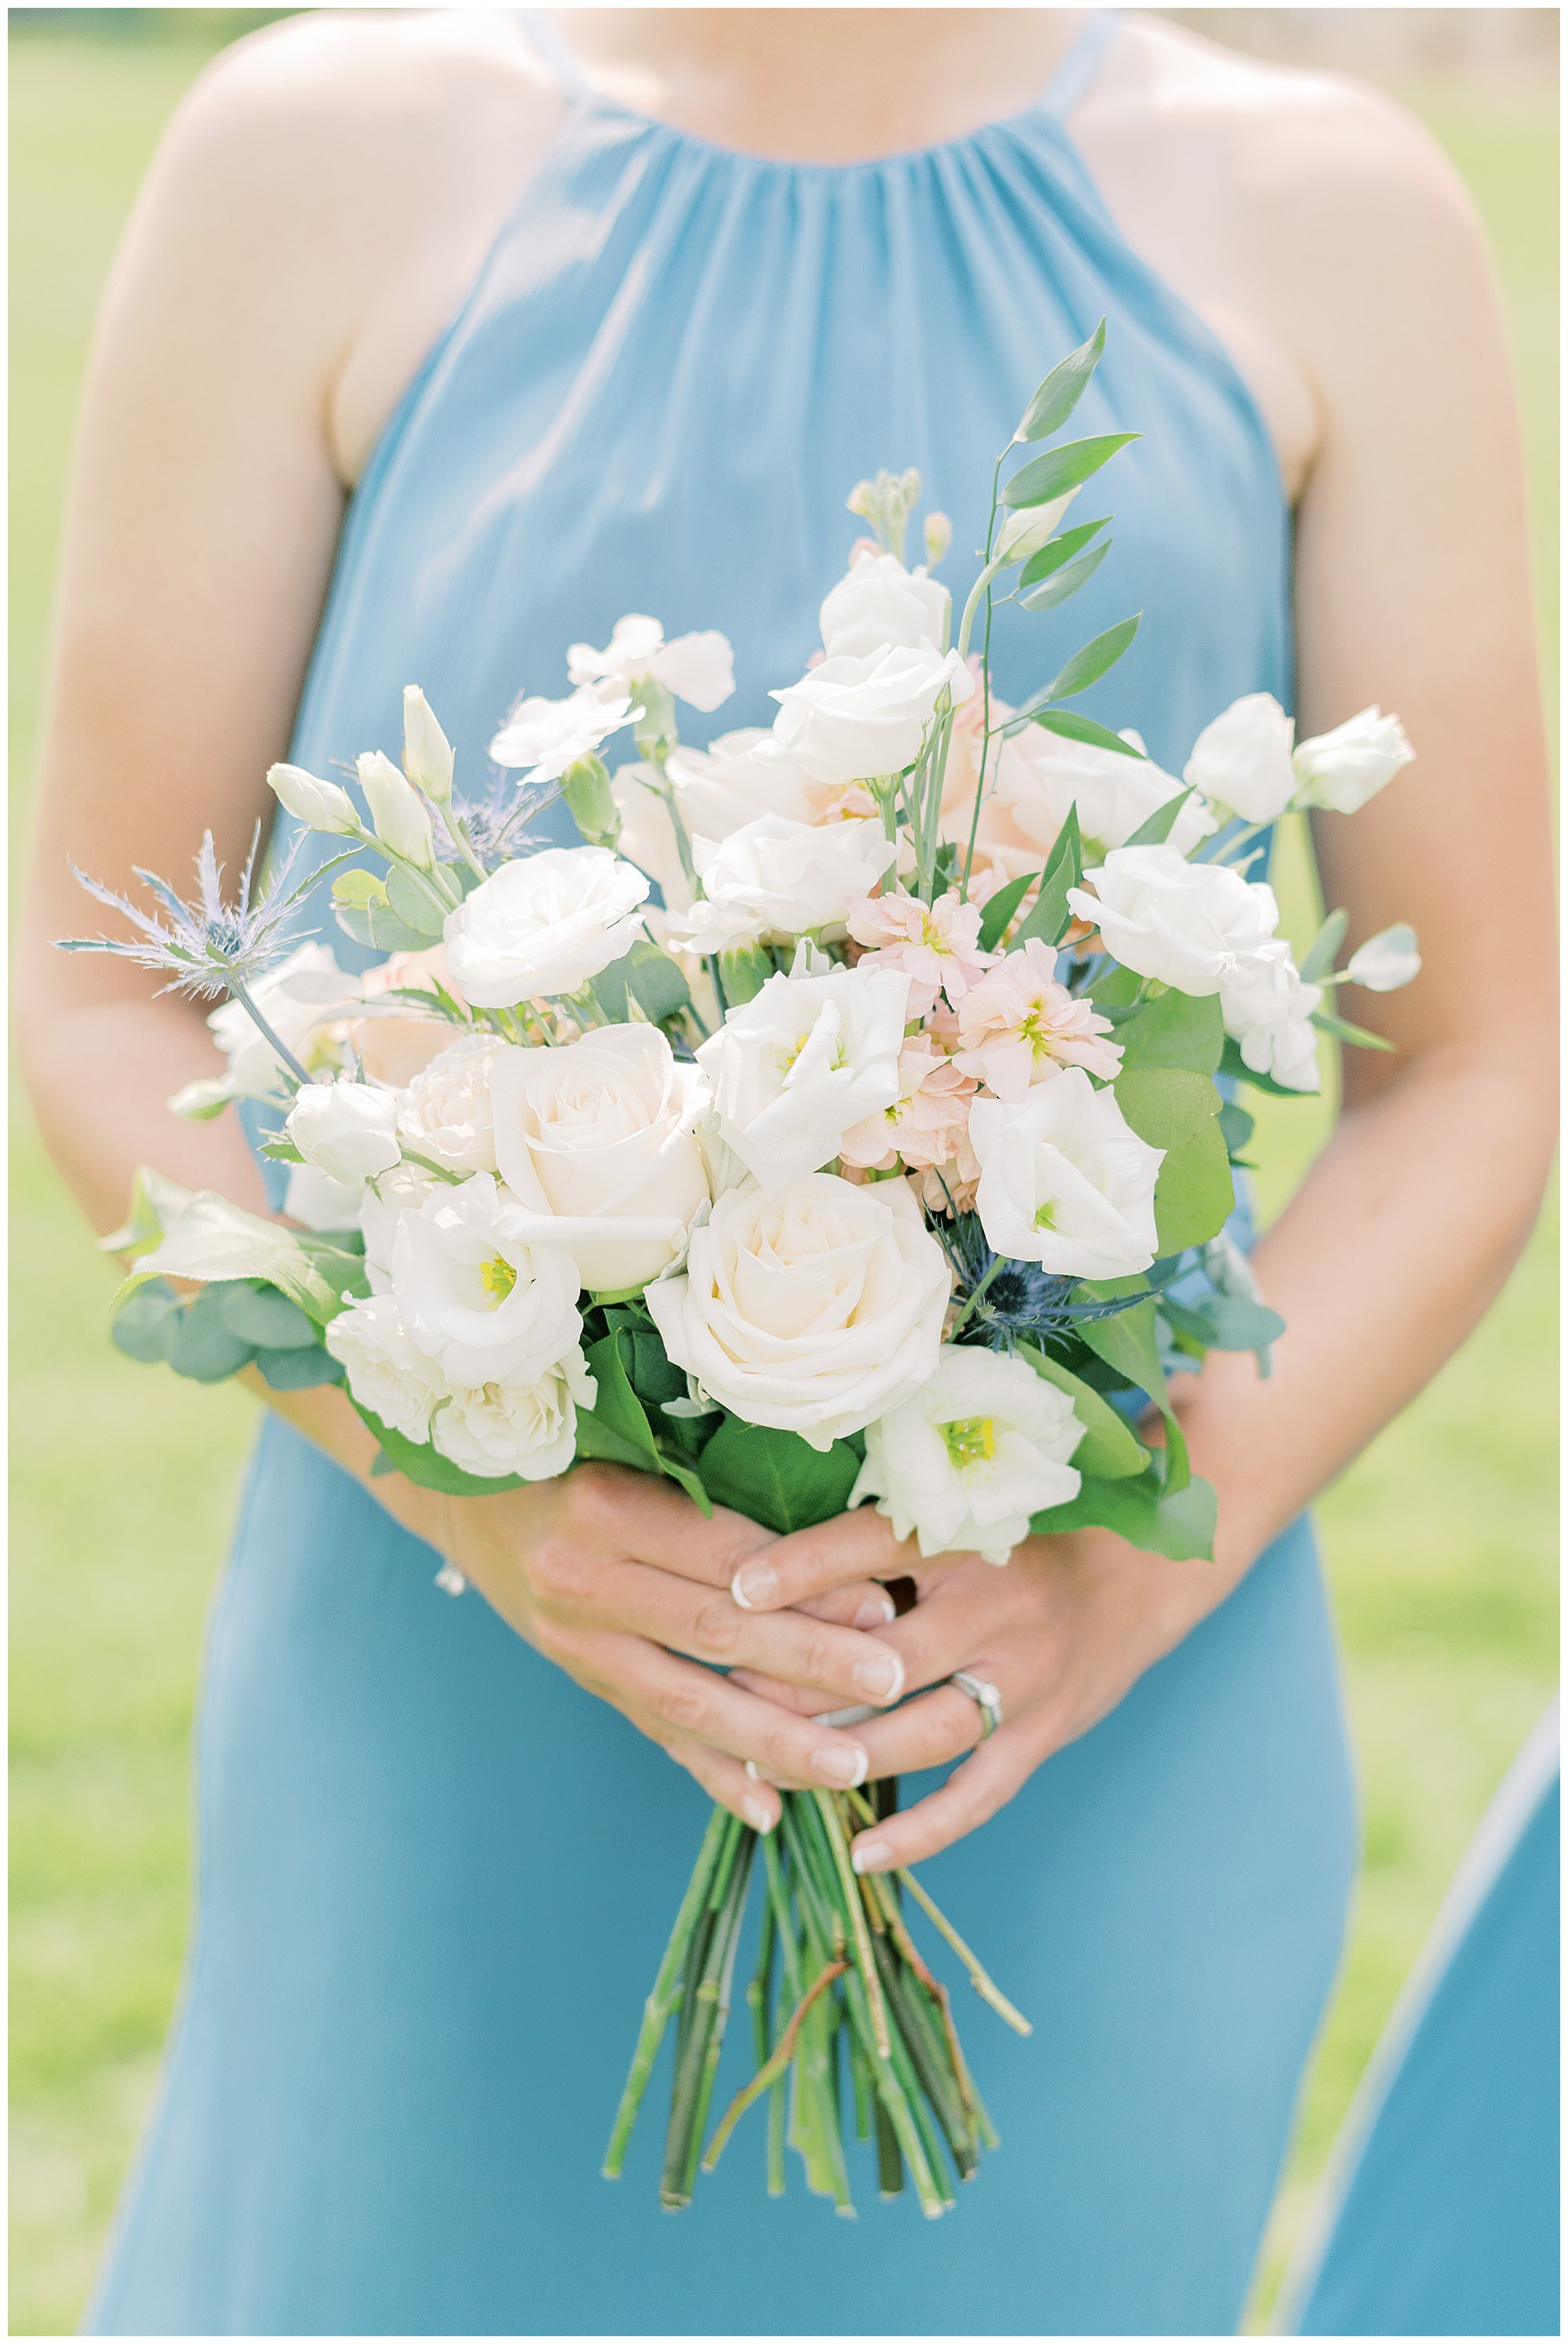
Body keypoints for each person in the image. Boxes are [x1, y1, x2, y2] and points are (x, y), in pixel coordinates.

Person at [17, 8, 1555, 2334]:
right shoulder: (312, 155)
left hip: (1079, 1728)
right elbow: (99, 985)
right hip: (450, 1690)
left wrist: (1108, 1598)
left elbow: (1482, 1053)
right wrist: (489, 1490)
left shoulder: (1329, 212)